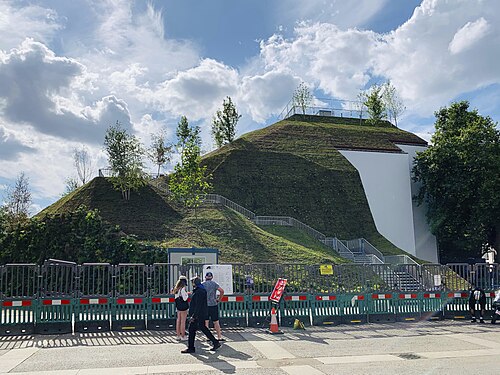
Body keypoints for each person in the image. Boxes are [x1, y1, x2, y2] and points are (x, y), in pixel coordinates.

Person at [181, 277, 220, 354]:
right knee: (202, 328)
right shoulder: (200, 290)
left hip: (198, 314)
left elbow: (198, 305)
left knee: (192, 330)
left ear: (194, 283)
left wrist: (194, 316)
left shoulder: (199, 292)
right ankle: (215, 342)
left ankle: (191, 348)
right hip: (200, 314)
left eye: (192, 282)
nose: (192, 283)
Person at [203, 271, 225, 341]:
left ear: (205, 277)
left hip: (205, 305)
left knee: (206, 322)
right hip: (213, 304)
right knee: (216, 321)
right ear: (212, 277)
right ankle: (219, 336)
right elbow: (221, 291)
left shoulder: (202, 284)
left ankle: (208, 337)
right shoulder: (214, 284)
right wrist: (219, 299)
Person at [172, 275, 189, 341]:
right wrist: (187, 294)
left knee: (178, 320)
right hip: (183, 307)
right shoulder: (183, 289)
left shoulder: (176, 289)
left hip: (178, 306)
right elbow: (185, 298)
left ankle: (178, 335)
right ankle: (183, 336)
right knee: (183, 321)